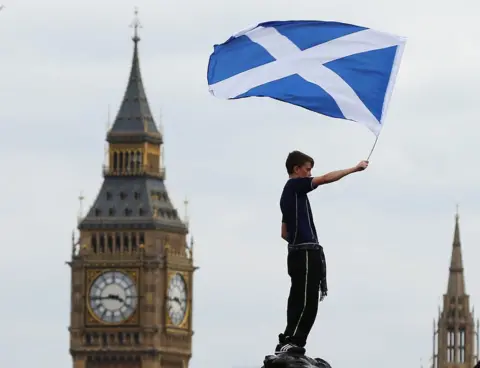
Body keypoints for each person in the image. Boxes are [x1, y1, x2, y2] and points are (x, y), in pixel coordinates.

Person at [275, 150, 369, 355]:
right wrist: (355, 168)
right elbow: (326, 179)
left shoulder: (286, 196)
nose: (309, 174)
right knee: (309, 301)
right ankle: (296, 341)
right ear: (296, 169)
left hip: (294, 254)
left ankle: (287, 338)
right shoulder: (295, 186)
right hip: (307, 252)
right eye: (307, 170)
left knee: (297, 298)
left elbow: (284, 233)